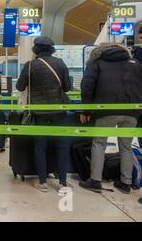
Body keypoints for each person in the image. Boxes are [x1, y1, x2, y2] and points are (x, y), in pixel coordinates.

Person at [79, 43, 142, 194]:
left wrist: (86, 110)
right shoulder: (136, 64)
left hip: (106, 111)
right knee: (126, 147)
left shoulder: (97, 63)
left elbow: (87, 86)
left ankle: (95, 181)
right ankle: (125, 183)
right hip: (132, 111)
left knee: (99, 144)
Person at [16, 36, 72, 194]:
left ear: (35, 49)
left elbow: (20, 86)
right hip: (59, 111)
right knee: (61, 146)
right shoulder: (60, 63)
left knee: (40, 146)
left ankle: (42, 182)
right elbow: (67, 87)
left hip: (39, 113)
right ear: (52, 49)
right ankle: (62, 182)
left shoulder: (30, 65)